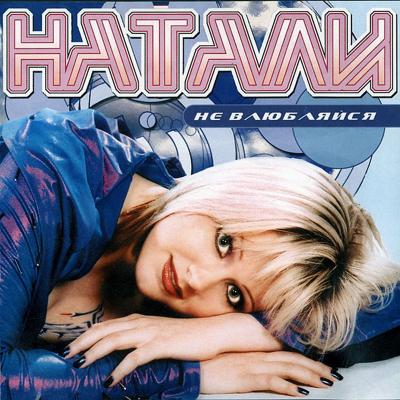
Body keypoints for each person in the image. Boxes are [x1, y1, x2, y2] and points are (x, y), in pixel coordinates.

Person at [0, 109, 399, 400]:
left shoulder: (184, 297)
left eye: (234, 294)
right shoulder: (44, 172)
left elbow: (388, 306)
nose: (198, 279)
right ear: (222, 192)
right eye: (225, 243)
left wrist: (234, 331)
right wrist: (186, 374)